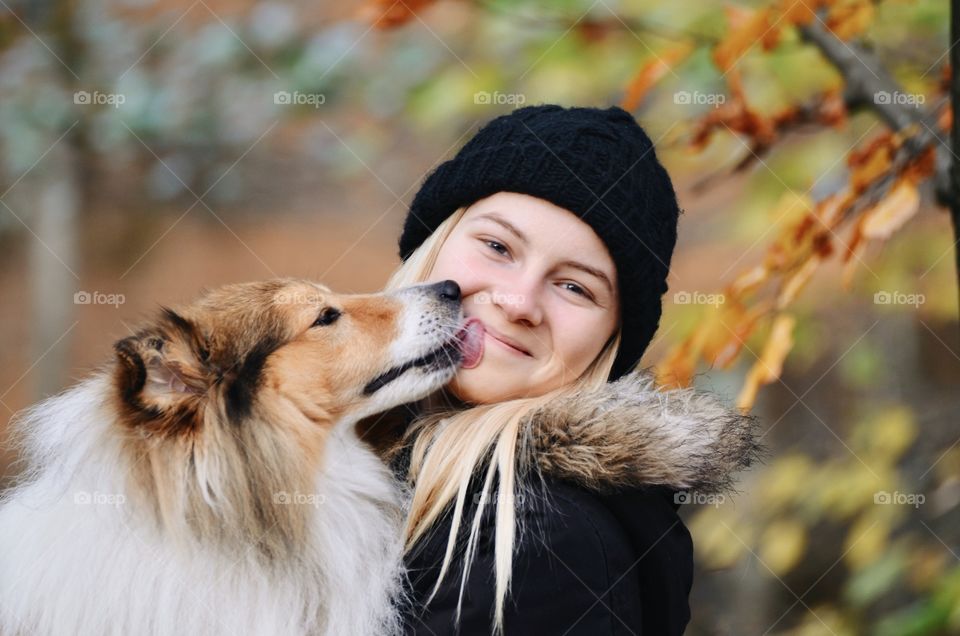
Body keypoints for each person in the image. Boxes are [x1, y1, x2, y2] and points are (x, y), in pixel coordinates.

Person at [369, 104, 760, 635]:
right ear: (433, 246)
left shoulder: (549, 542)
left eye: (575, 286)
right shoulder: (324, 454)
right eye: (498, 246)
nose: (518, 302)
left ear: (609, 342)